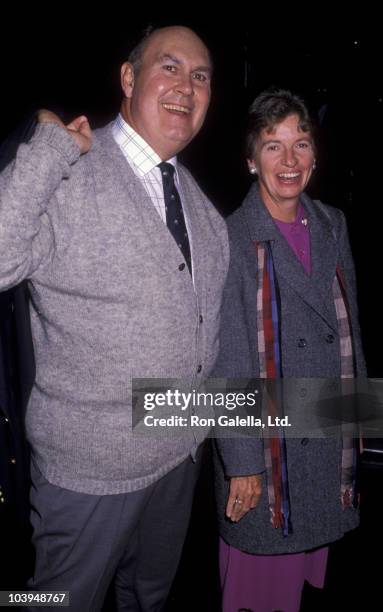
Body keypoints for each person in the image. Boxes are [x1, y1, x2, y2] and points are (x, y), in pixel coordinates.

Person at [0, 26, 229, 611]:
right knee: (53, 602)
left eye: (200, 76)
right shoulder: (68, 170)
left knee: (147, 599)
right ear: (129, 79)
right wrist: (50, 148)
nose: (186, 87)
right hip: (89, 476)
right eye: (169, 68)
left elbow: (207, 346)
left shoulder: (205, 212)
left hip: (177, 466)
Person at [213, 88, 366, 612]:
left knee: (302, 589)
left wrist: (359, 422)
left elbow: (350, 333)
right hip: (268, 454)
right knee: (259, 595)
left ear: (315, 155)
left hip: (323, 440)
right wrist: (243, 462)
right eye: (272, 145)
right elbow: (228, 354)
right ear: (250, 159)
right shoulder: (231, 236)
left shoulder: (332, 223)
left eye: (300, 143)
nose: (289, 160)